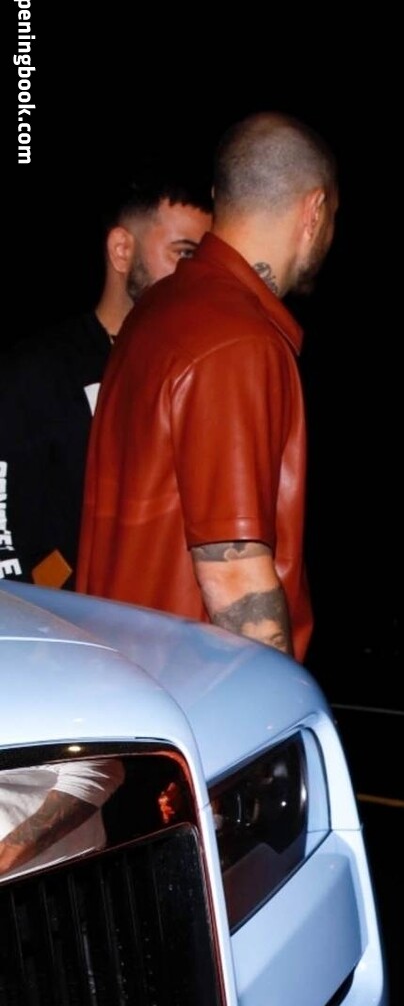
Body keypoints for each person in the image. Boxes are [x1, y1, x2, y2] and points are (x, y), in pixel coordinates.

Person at [78, 113, 338, 659]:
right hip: (194, 689)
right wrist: (275, 703)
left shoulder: (157, 311)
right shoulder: (237, 340)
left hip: (123, 674)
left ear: (220, 198)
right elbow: (234, 573)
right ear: (314, 211)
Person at [0, 177, 211, 589]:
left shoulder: (200, 372)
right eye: (184, 254)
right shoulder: (36, 371)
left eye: (204, 260)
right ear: (121, 250)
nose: (198, 277)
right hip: (63, 620)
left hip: (170, 619)